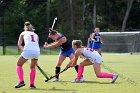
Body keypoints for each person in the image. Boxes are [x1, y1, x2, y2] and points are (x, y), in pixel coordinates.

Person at [15, 21, 40, 89]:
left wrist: (23, 51)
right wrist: (36, 61)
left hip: (28, 50)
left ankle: (21, 82)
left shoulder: (23, 33)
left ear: (25, 28)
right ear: (32, 28)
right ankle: (32, 85)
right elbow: (35, 45)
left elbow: (19, 44)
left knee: (19, 64)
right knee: (32, 67)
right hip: (37, 51)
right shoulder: (36, 35)